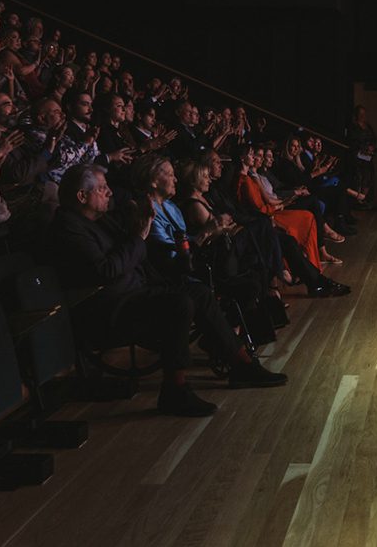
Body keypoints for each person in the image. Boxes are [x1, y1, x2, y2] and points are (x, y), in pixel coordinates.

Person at [42, 164, 286, 417]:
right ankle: (175, 391)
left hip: (134, 293)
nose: (109, 193)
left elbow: (131, 255)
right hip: (108, 309)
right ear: (82, 196)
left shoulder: (99, 221)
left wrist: (138, 233)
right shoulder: (68, 227)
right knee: (178, 303)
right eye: (102, 189)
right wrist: (138, 235)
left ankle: (241, 364)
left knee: (200, 293)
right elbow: (106, 270)